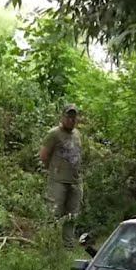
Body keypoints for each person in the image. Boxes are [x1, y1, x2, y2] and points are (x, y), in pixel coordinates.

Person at [40, 104, 83, 244]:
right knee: (54, 213)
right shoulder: (54, 133)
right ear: (62, 117)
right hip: (58, 180)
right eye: (69, 116)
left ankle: (68, 245)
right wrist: (52, 169)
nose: (71, 119)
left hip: (75, 181)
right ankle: (49, 244)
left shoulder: (77, 134)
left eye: (74, 117)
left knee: (72, 215)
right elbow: (44, 155)